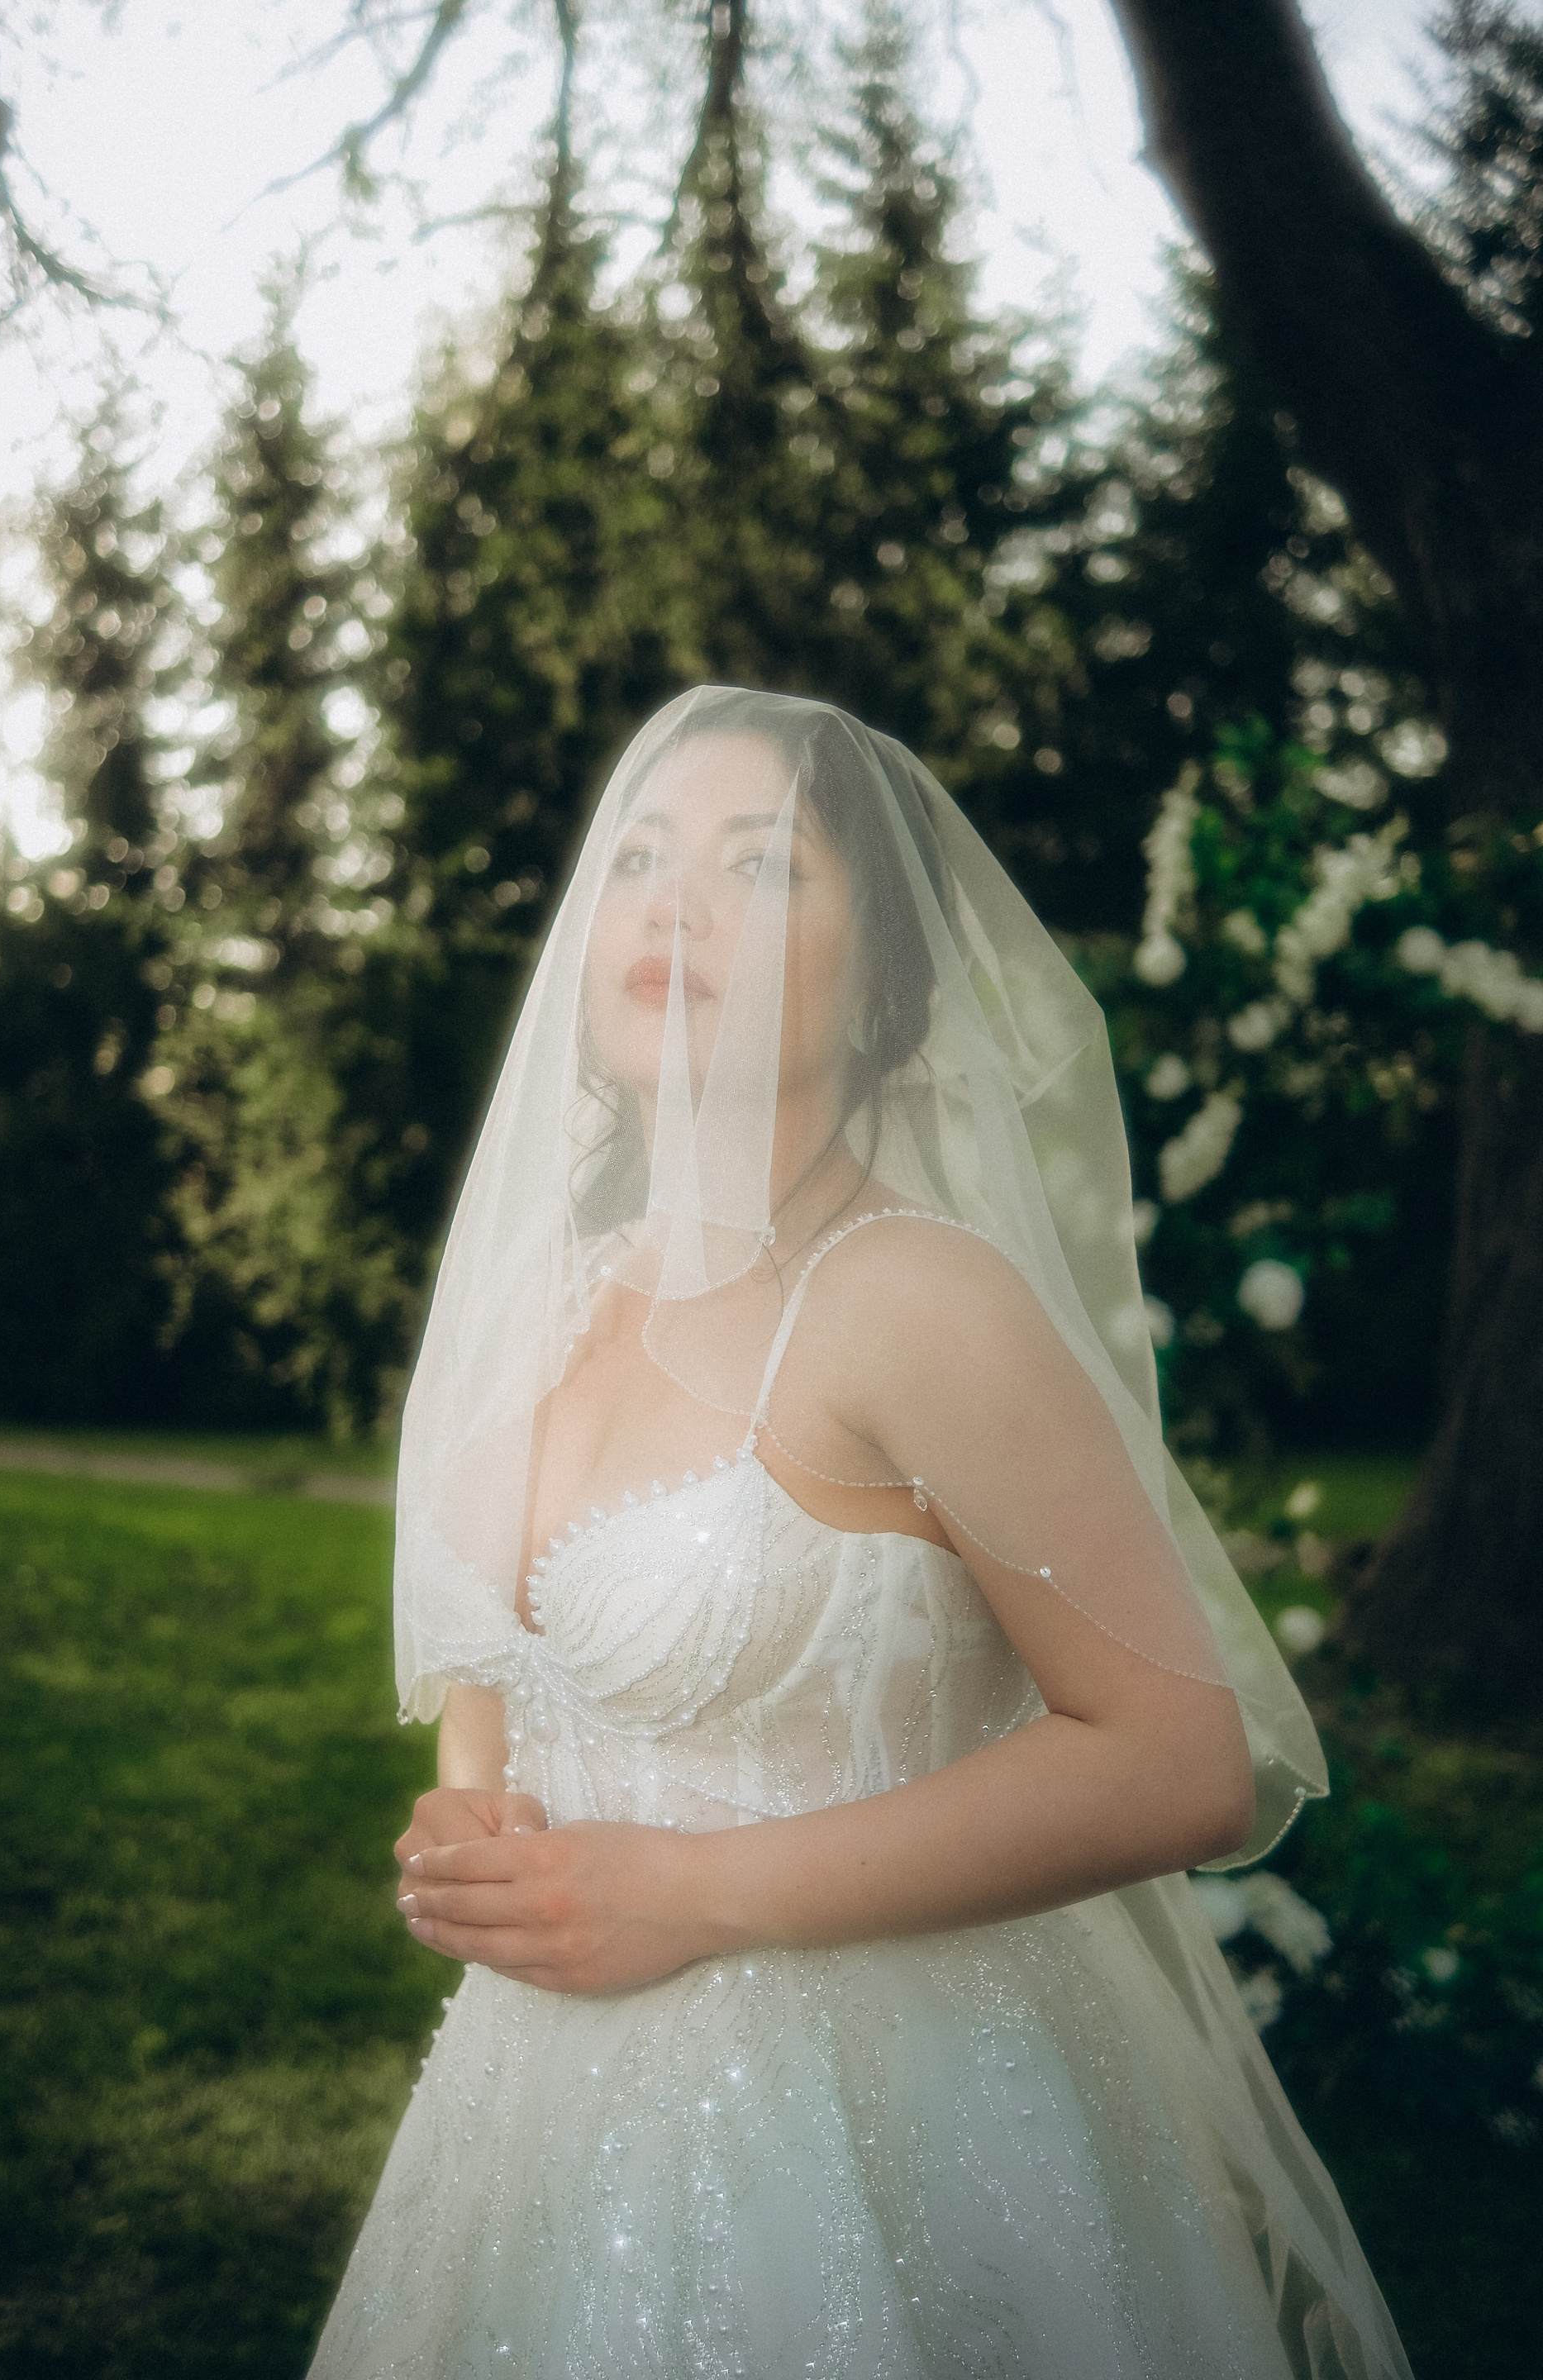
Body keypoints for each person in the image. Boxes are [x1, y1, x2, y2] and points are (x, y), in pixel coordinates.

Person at [309, 687, 1412, 2380]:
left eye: (760, 867)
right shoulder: (546, 1298)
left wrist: (693, 1892)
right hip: (532, 2118)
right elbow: (497, 1665)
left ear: (884, 984)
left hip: (864, 2133)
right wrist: (480, 1822)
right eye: (641, 859)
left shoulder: (915, 1300)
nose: (675, 906)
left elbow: (1183, 1760)